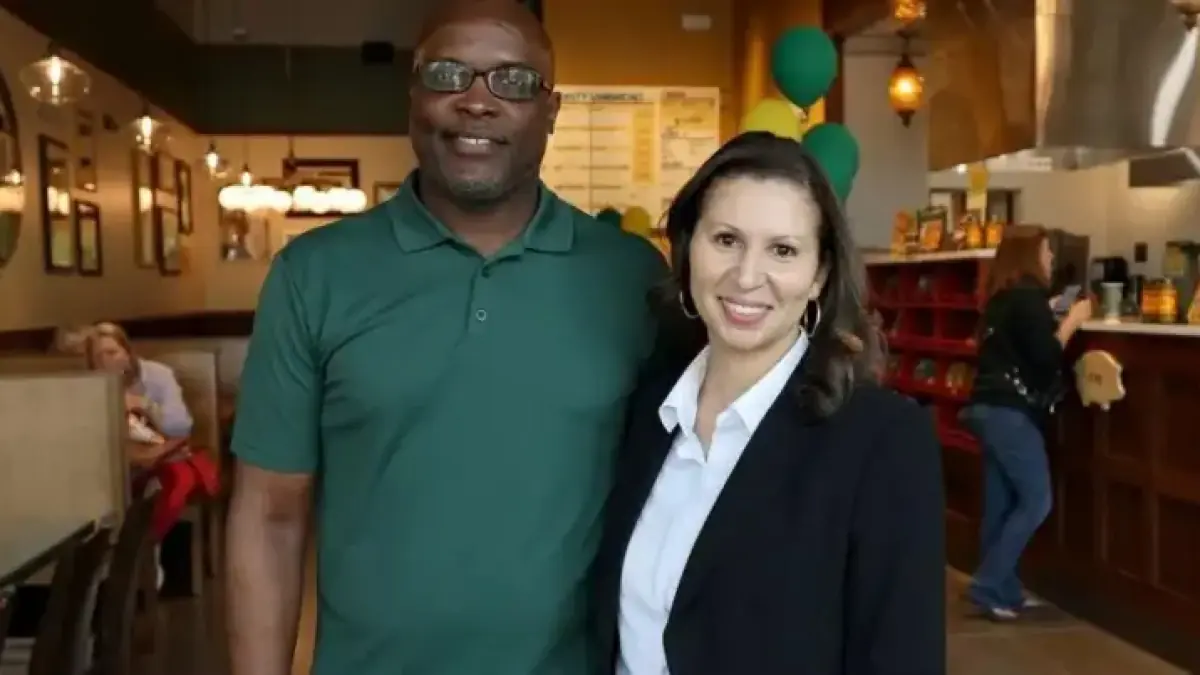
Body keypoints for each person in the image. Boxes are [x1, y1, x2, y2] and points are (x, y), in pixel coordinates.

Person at [225, 1, 667, 674]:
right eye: (448, 74)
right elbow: (270, 516)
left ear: (550, 111)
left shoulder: (631, 278)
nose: (477, 101)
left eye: (513, 81)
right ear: (413, 95)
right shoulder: (313, 275)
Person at [593, 132, 946, 675]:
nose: (747, 277)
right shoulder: (647, 409)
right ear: (687, 248)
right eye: (726, 240)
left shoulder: (882, 441)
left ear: (819, 275)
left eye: (782, 250)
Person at [960, 225, 1092, 621]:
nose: (1051, 259)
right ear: (1030, 256)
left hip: (985, 408)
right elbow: (1046, 359)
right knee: (1037, 500)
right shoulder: (1029, 297)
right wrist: (1073, 320)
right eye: (1046, 252)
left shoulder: (1000, 299)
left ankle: (1004, 590)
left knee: (1000, 504)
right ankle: (988, 583)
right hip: (1010, 412)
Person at [87, 321, 194, 443]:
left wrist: (143, 404)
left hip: (162, 450)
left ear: (127, 353)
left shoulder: (159, 375)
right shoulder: (93, 387)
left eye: (112, 353)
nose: (106, 362)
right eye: (98, 357)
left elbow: (181, 428)